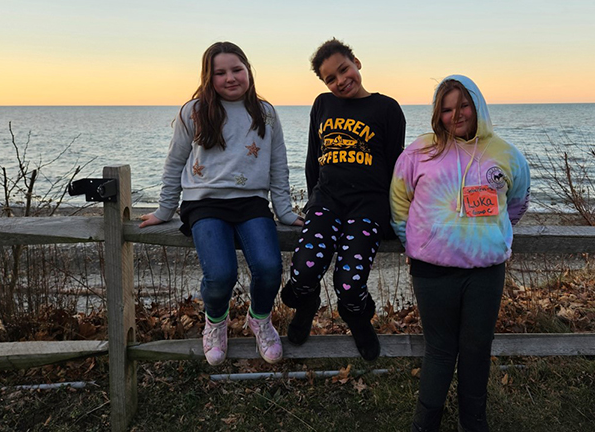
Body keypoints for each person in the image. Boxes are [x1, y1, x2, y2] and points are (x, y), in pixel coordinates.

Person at [140, 42, 302, 366]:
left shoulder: (266, 113)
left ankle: (259, 319)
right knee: (220, 274)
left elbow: (278, 164)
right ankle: (215, 322)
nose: (230, 78)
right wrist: (164, 210)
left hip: (252, 202)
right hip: (204, 203)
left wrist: (283, 210)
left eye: (236, 69)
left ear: (248, 71)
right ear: (208, 76)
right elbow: (174, 163)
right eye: (220, 72)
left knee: (270, 268)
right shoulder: (194, 111)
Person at [390, 75, 530, 431]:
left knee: (477, 347)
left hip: (485, 271)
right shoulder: (419, 151)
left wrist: (491, 235)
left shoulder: (506, 154)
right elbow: (399, 201)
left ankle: (474, 421)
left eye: (463, 105)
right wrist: (413, 243)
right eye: (447, 108)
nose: (456, 115)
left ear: (477, 105)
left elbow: (516, 203)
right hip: (431, 270)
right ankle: (426, 424)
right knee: (439, 350)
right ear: (438, 113)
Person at [280, 38, 406, 361]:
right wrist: (312, 204)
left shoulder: (387, 108)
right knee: (302, 272)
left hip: (368, 207)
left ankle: (357, 317)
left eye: (344, 69)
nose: (340, 81)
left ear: (357, 63)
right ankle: (307, 305)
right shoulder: (322, 105)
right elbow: (313, 161)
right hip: (327, 202)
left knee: (349, 284)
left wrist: (393, 218)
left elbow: (396, 168)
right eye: (330, 79)